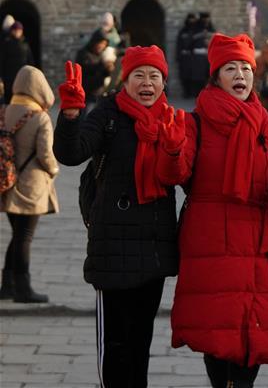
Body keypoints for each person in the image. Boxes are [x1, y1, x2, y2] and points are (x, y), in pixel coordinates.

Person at [158, 33, 268, 388]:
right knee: (218, 335)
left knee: (256, 330)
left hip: (257, 237)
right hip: (212, 240)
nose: (240, 75)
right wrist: (173, 151)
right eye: (230, 68)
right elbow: (177, 174)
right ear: (215, 76)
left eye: (245, 68)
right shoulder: (196, 123)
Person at [53, 46, 179, 388]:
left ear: (163, 82)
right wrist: (70, 116)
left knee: (141, 344)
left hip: (153, 248)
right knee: (115, 346)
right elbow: (71, 153)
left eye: (154, 76)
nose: (147, 83)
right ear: (125, 80)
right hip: (114, 246)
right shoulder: (108, 114)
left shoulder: (172, 119)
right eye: (139, 75)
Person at [0, 66, 59, 303]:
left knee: (17, 234)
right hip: (31, 184)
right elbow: (46, 155)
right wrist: (54, 169)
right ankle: (23, 289)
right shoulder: (40, 117)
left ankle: (7, 286)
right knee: (25, 236)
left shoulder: (5, 111)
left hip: (7, 180)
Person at [75, 32, 113, 105]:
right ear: (94, 42)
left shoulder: (101, 56)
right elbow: (88, 69)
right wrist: (103, 65)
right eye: (100, 43)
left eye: (104, 44)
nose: (102, 46)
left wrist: (109, 69)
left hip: (99, 93)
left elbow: (104, 74)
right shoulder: (83, 54)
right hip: (86, 94)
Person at [1, 21, 34, 104]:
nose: (17, 32)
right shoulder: (6, 43)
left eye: (19, 30)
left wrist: (31, 74)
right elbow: (2, 61)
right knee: (9, 99)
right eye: (15, 30)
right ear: (12, 31)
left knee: (22, 98)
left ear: (21, 31)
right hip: (9, 77)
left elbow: (30, 61)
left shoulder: (25, 44)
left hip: (22, 76)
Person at [176, 13, 198, 97]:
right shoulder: (183, 31)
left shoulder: (197, 31)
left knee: (195, 75)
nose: (192, 21)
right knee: (185, 75)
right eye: (190, 19)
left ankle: (194, 93)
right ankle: (186, 93)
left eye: (193, 19)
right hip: (185, 57)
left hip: (194, 57)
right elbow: (179, 44)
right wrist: (178, 56)